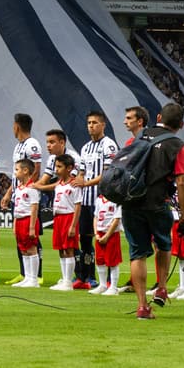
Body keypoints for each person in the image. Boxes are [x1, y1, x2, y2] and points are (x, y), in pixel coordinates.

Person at [120, 102, 184, 320]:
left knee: (137, 254)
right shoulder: (178, 146)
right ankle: (161, 287)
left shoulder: (137, 138)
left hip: (131, 202)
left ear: (159, 116)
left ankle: (142, 306)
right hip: (157, 202)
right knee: (164, 243)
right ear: (180, 125)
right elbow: (181, 182)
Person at [74, 111, 118, 288]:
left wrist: (86, 183)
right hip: (86, 200)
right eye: (89, 123)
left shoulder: (109, 146)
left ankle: (108, 279)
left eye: (94, 122)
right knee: (85, 239)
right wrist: (79, 181)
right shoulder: (85, 148)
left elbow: (107, 173)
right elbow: (82, 173)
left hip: (103, 200)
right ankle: (87, 276)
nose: (91, 126)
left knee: (104, 238)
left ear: (103, 125)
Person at [49, 155, 82, 291]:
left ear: (69, 168)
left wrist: (73, 225)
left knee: (69, 249)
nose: (56, 170)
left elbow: (78, 205)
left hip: (69, 217)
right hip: (58, 218)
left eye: (59, 167)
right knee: (61, 249)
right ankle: (64, 279)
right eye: (56, 166)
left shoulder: (74, 185)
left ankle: (69, 282)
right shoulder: (59, 184)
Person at [12, 159, 42, 288]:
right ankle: (27, 277)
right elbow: (16, 207)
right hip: (19, 220)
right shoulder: (18, 188)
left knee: (31, 249)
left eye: (17, 170)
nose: (15, 172)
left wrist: (31, 227)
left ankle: (34, 279)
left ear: (25, 171)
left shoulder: (32, 188)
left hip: (28, 220)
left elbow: (34, 208)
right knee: (23, 249)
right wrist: (14, 224)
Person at [91, 192, 123, 296]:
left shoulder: (117, 199)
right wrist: (96, 233)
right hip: (100, 233)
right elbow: (95, 217)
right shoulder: (99, 199)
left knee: (112, 261)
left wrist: (107, 236)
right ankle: (102, 285)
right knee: (100, 260)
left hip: (111, 234)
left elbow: (117, 219)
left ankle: (113, 287)